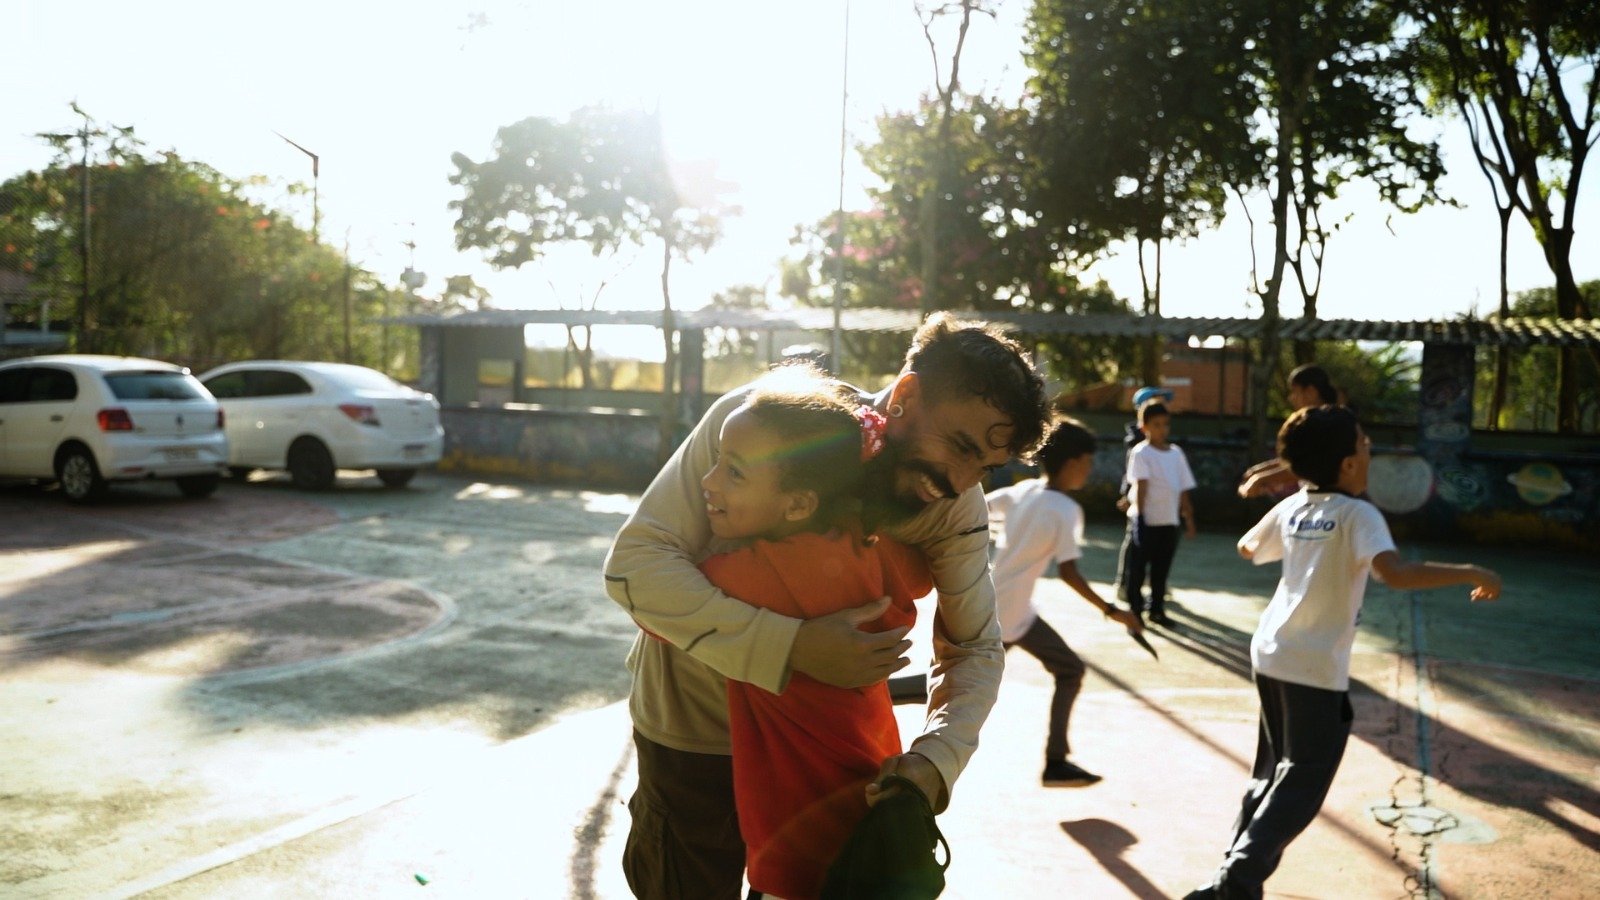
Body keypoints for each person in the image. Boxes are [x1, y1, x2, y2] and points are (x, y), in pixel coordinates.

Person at [603, 312, 1050, 900]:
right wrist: (792, 648)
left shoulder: (953, 506)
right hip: (696, 739)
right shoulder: (765, 420)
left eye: (984, 468)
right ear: (907, 395)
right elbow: (638, 567)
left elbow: (974, 647)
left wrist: (935, 761)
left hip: (822, 767)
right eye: (960, 447)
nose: (962, 481)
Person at [1186, 405, 1502, 900]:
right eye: (1364, 443)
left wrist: (1295, 521)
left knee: (1271, 773)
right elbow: (1395, 573)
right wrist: (1470, 571)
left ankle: (1236, 879)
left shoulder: (1296, 506)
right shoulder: (1359, 514)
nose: (1369, 449)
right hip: (1311, 665)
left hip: (1271, 653)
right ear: (1349, 464)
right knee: (1302, 781)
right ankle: (1234, 884)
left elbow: (1248, 548)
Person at [684, 366, 931, 899]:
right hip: (875, 807)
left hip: (798, 844)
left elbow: (658, 611)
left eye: (734, 473)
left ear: (798, 503)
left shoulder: (751, 573)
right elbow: (919, 577)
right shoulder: (870, 545)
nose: (709, 482)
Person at [986, 417, 1144, 788]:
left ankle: (1057, 762)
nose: (1088, 471)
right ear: (1073, 463)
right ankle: (1055, 763)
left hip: (998, 605)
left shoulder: (1023, 492)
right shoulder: (1067, 511)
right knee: (1068, 672)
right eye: (1087, 463)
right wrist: (1113, 611)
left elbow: (976, 506)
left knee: (950, 679)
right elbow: (1070, 573)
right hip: (1008, 615)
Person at [1117, 398, 1197, 627]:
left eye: (1165, 424)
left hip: (1169, 523)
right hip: (1145, 522)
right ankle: (1135, 611)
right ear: (1144, 427)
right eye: (1156, 425)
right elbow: (1141, 487)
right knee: (1138, 569)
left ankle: (1157, 610)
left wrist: (1188, 518)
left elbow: (1182, 489)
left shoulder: (1176, 454)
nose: (1162, 429)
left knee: (1161, 570)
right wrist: (1140, 518)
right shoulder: (1141, 453)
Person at [1236, 364, 1338, 499]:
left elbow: (1307, 468)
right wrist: (1256, 472)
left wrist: (1260, 479)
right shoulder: (1314, 421)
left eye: (1295, 391)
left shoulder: (1330, 422)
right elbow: (1297, 461)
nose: (1291, 398)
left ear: (1311, 391)